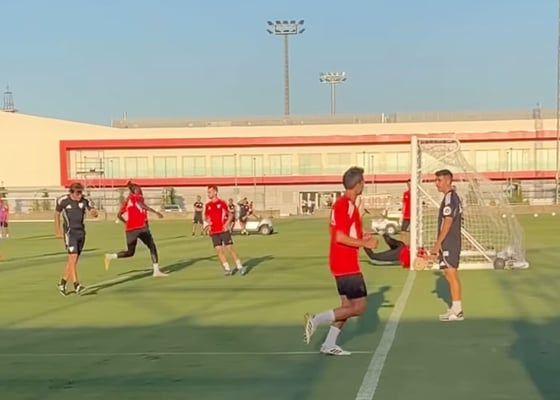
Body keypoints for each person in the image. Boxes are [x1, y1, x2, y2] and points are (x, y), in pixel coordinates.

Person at [303, 167, 378, 356]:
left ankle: (329, 344)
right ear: (358, 184)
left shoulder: (345, 205)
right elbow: (340, 237)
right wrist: (364, 243)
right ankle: (316, 319)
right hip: (346, 264)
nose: (364, 185)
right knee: (359, 307)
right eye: (363, 181)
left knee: (346, 308)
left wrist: (363, 235)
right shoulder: (346, 205)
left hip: (340, 262)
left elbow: (345, 231)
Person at [104, 183, 168, 277]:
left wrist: (126, 223)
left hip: (130, 230)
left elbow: (119, 215)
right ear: (134, 191)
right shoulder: (137, 197)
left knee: (130, 252)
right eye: (138, 189)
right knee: (152, 246)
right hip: (140, 227)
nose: (140, 190)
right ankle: (156, 271)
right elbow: (141, 205)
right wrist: (155, 212)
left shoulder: (127, 201)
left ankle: (110, 256)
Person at [54, 182, 98, 296]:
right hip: (70, 233)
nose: (80, 195)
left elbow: (92, 211)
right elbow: (57, 214)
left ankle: (62, 283)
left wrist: (94, 213)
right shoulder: (63, 201)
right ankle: (76, 285)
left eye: (81, 192)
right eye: (77, 193)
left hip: (81, 233)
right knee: (72, 258)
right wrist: (57, 230)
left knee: (73, 261)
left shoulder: (85, 201)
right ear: (72, 192)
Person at [432, 169, 464, 322]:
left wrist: (438, 243)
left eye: (439, 180)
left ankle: (458, 311)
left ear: (447, 180)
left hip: (450, 241)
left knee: (451, 274)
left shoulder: (450, 197)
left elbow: (448, 221)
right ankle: (455, 308)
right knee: (447, 273)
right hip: (449, 241)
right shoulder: (449, 197)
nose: (436, 183)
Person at [205, 185, 247, 276]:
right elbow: (207, 217)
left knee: (230, 248)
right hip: (214, 232)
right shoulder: (208, 205)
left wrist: (226, 224)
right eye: (208, 192)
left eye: (210, 192)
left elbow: (230, 215)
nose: (208, 194)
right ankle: (227, 269)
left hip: (223, 230)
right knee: (219, 251)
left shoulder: (222, 203)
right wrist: (209, 223)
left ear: (215, 192)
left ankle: (240, 267)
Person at [400, 179, 411, 243]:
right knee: (403, 231)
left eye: (410, 184)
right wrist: (402, 214)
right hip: (406, 216)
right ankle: (403, 244)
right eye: (408, 184)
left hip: (413, 216)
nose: (409, 185)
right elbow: (404, 204)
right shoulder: (405, 193)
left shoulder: (416, 194)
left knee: (414, 231)